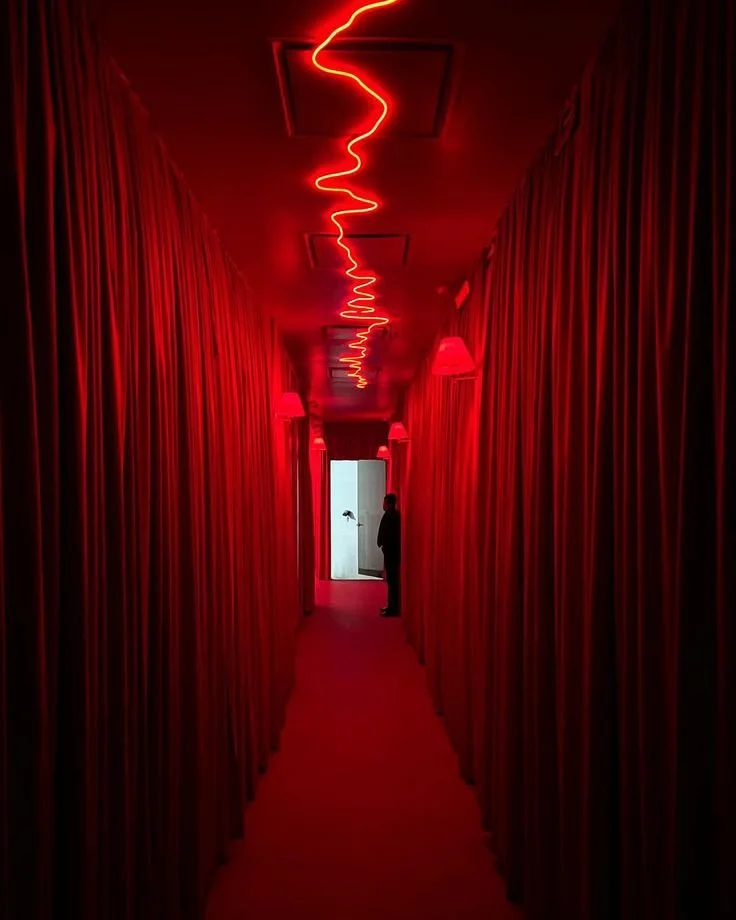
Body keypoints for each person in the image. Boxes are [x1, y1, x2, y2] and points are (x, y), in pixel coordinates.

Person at [376, 493, 401, 617]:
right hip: (391, 552)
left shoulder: (392, 516)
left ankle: (393, 608)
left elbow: (390, 535)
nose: (383, 505)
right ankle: (391, 606)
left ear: (389, 503)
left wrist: (383, 545)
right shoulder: (392, 515)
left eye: (384, 502)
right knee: (392, 581)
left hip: (392, 553)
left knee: (393, 581)